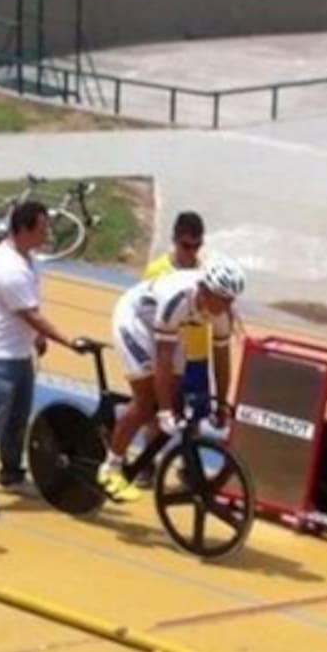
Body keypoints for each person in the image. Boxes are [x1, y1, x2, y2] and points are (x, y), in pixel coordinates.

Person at [0, 200, 82, 518]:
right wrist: (65, 341)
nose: (46, 233)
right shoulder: (8, 269)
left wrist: (36, 338)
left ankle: (10, 474)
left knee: (17, 420)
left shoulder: (28, 260)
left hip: (18, 354)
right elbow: (31, 314)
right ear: (22, 230)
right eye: (41, 228)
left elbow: (26, 313)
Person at [96, 257, 247, 503]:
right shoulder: (177, 298)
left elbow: (221, 359)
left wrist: (220, 403)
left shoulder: (223, 315)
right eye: (222, 298)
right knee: (146, 402)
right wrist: (164, 411)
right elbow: (163, 356)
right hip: (134, 320)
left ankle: (130, 429)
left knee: (174, 392)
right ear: (205, 290)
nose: (226, 305)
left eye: (231, 300)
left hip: (171, 328)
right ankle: (110, 467)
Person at [138, 211, 208, 485]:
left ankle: (189, 467)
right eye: (186, 245)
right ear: (174, 241)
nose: (191, 252)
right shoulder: (156, 271)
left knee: (195, 417)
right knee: (157, 414)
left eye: (197, 246)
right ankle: (146, 465)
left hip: (197, 355)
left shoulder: (205, 273)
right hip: (166, 355)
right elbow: (143, 313)